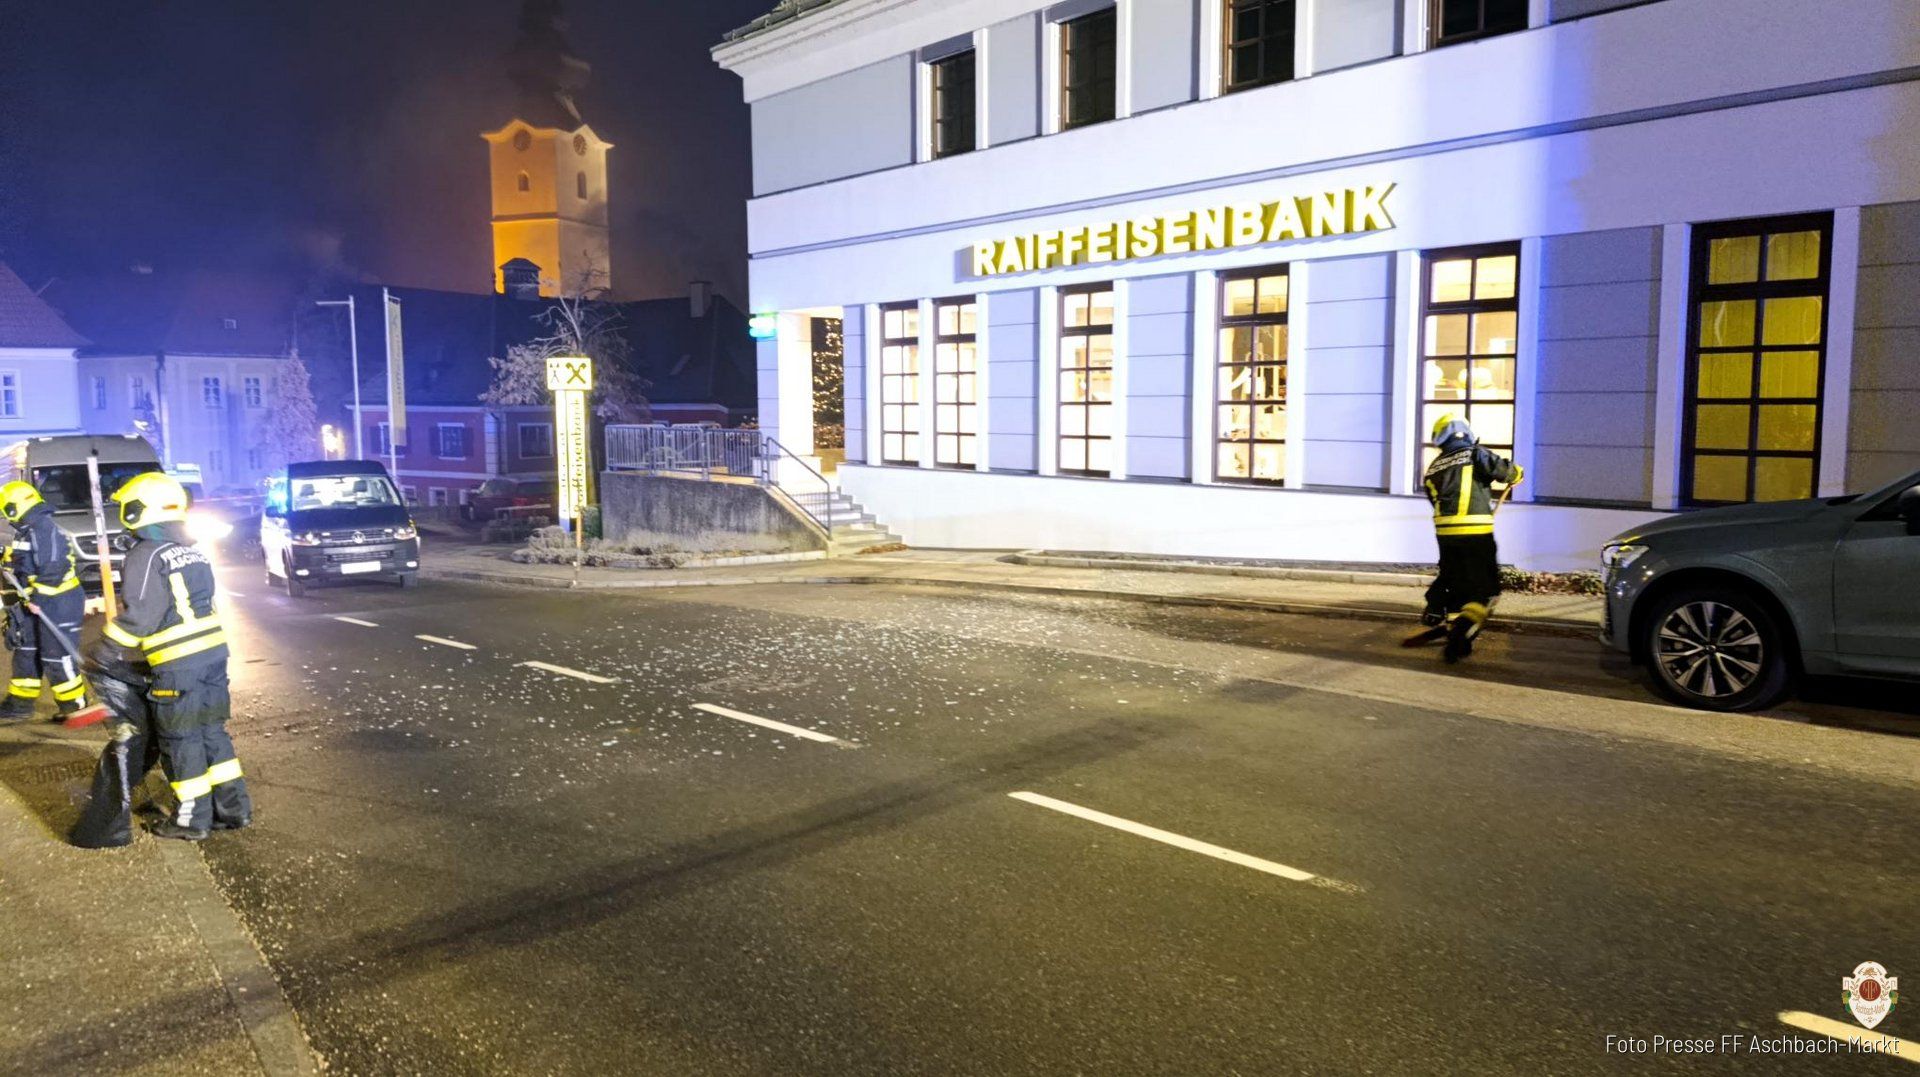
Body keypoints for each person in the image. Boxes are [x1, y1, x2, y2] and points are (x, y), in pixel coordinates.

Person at [88, 471, 250, 839]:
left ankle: (191, 820)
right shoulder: (192, 550)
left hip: (179, 667)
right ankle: (234, 809)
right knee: (212, 732)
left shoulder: (146, 554)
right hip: (212, 658)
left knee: (181, 741)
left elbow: (140, 616)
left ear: (141, 509)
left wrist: (104, 649)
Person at [1420, 414, 1523, 663]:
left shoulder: (1434, 467)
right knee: (1485, 589)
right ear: (1465, 432)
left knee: (1454, 579)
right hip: (1476, 533)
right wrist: (1517, 473)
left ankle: (1441, 610)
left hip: (1445, 535)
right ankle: (1462, 630)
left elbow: (1434, 500)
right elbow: (1506, 472)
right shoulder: (1475, 453)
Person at [1, 481, 92, 721]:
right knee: (26, 649)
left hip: (59, 602)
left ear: (14, 507)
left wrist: (38, 597)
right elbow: (24, 562)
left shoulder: (43, 527)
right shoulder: (28, 528)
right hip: (36, 600)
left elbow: (53, 566)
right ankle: (20, 705)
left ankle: (75, 706)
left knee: (56, 655)